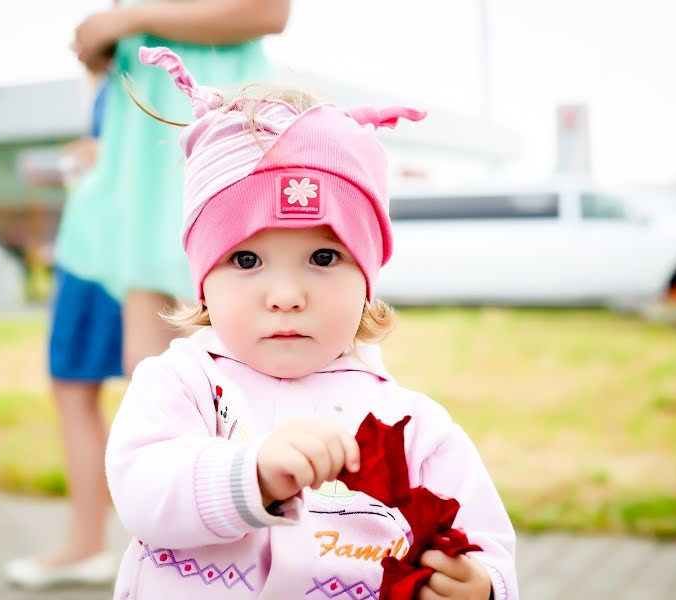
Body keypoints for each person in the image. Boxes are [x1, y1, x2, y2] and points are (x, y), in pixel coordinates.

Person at [104, 47, 518, 599]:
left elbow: (484, 539)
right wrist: (250, 474)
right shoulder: (182, 384)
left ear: (366, 279)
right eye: (246, 261)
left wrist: (480, 587)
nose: (285, 296)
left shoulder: (414, 425)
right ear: (204, 280)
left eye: (323, 259)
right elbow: (143, 492)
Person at [5, 0, 290, 589]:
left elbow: (271, 9)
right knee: (154, 380)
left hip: (199, 144)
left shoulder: (144, 19)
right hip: (136, 175)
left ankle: (244, 553)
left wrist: (124, 20)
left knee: (224, 378)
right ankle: (174, 558)